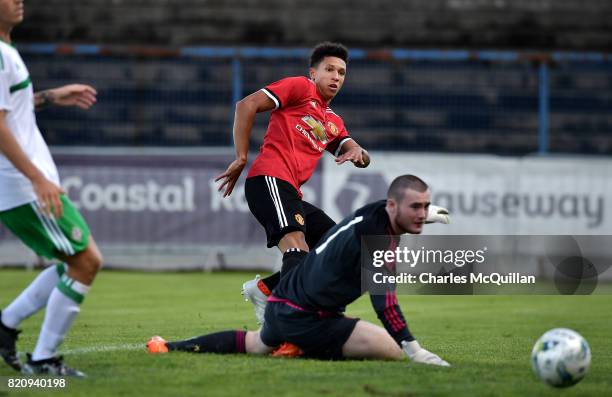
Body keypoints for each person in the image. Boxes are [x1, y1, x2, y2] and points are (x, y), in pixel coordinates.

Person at [147, 175, 450, 366]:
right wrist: (414, 350)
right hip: (309, 318)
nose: (422, 214)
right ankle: (301, 347)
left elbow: (397, 210)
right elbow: (384, 302)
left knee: (255, 345)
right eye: (416, 208)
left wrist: (424, 215)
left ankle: (168, 347)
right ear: (394, 206)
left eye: (426, 206)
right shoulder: (379, 241)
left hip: (282, 304)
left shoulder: (376, 211)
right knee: (390, 350)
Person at [215, 42, 371, 325]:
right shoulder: (300, 88)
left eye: (342, 72)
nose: (336, 77)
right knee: (296, 246)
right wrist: (240, 157)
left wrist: (359, 153)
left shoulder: (332, 120)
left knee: (337, 247)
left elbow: (354, 150)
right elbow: (246, 105)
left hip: (290, 192)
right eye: (330, 70)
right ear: (313, 73)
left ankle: (264, 290)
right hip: (269, 180)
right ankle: (285, 322)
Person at [0, 0, 101, 377]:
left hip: (24, 181)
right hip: (20, 184)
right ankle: (42, 361)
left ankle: (7, 326)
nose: (17, 0)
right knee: (86, 261)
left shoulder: (7, 52)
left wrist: (50, 96)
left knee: (75, 260)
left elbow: (14, 110)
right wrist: (36, 178)